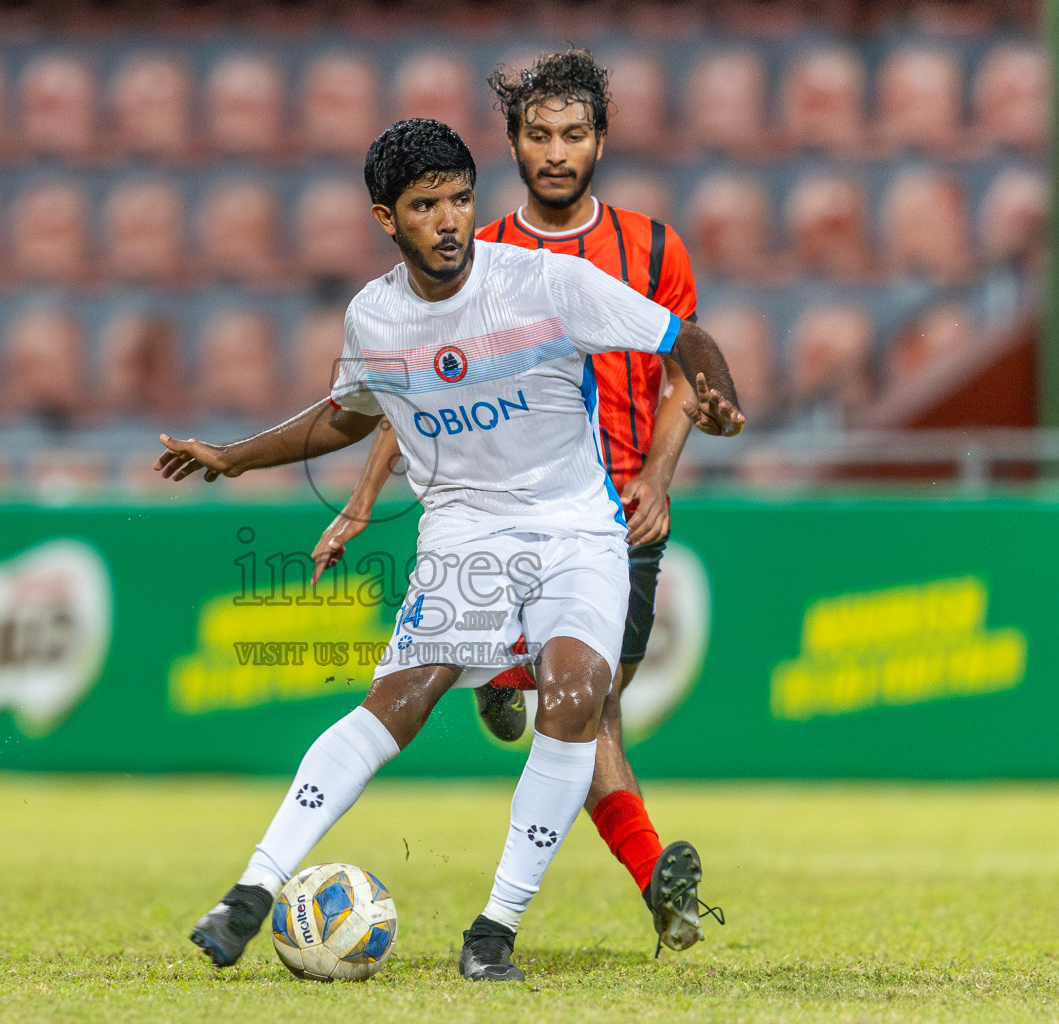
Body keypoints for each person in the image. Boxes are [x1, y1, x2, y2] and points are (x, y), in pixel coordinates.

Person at [158, 118, 743, 982]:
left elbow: (681, 337)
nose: (449, 222)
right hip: (465, 534)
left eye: (461, 200)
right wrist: (236, 455)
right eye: (425, 206)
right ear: (385, 219)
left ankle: (494, 931)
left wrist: (718, 393)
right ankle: (250, 890)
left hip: (575, 524)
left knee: (578, 692)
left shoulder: (548, 282)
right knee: (400, 699)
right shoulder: (376, 314)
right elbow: (346, 416)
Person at [309, 50, 714, 955]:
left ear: (601, 141)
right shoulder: (470, 251)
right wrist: (362, 501)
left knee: (590, 703)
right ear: (516, 146)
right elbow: (404, 397)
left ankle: (513, 690)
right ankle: (651, 876)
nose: (557, 153)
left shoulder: (655, 249)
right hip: (497, 510)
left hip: (610, 512)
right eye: (540, 136)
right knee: (586, 705)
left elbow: (683, 371)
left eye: (574, 135)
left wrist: (659, 472)